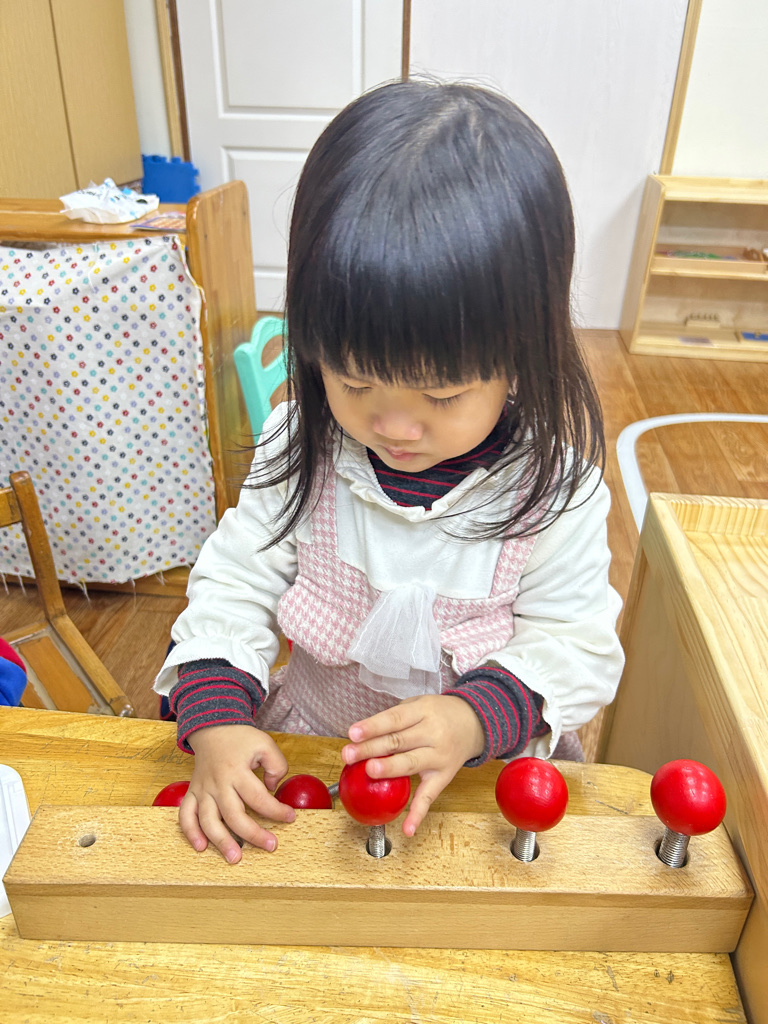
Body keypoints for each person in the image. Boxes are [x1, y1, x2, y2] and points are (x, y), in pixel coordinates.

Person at [154, 79, 624, 864]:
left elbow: (578, 645)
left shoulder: (555, 494)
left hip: (479, 780)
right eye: (355, 382)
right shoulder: (300, 447)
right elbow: (236, 580)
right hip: (315, 752)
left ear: (522, 355)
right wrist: (219, 717)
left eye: (442, 396)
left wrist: (474, 718)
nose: (395, 428)